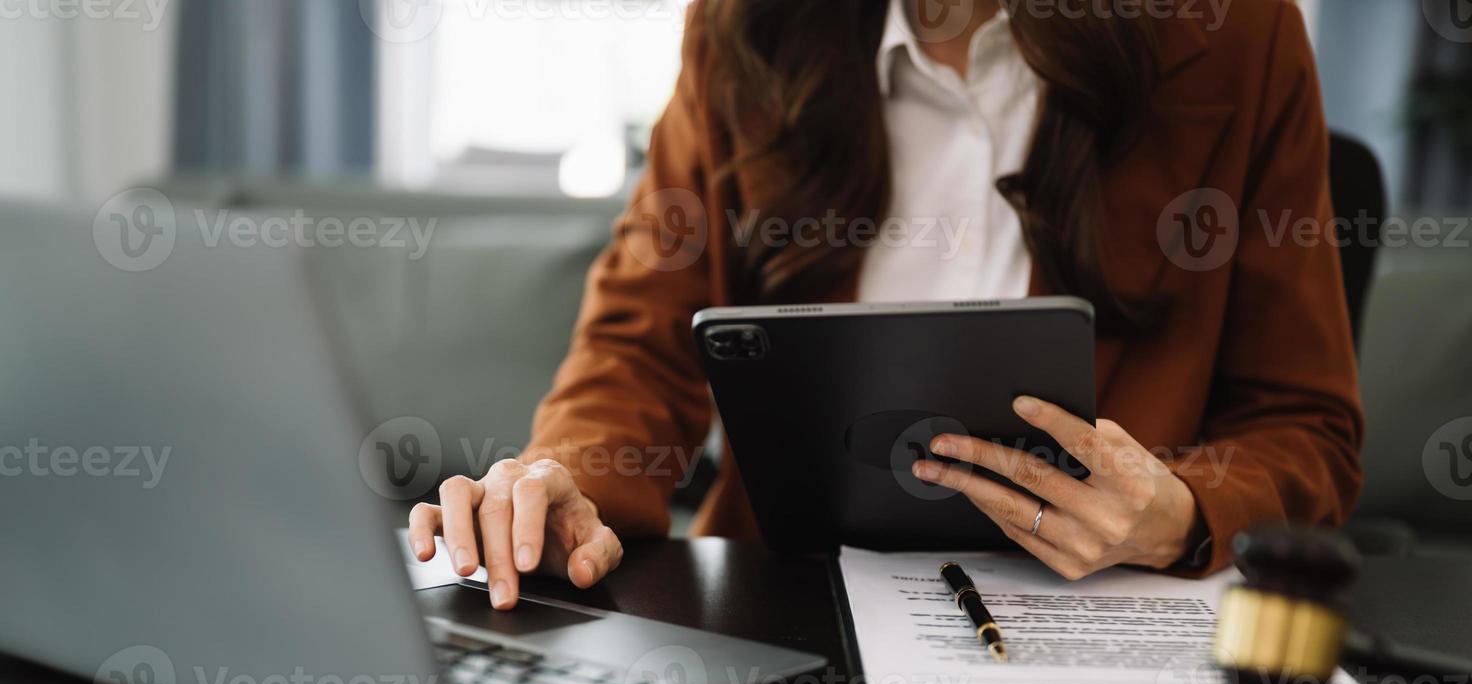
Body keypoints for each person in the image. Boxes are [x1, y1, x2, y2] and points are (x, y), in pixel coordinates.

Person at [409, 0, 1363, 611]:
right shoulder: (744, 28)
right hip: (786, 622)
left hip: (1093, 638)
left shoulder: (1233, 33)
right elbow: (636, 349)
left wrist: (1185, 511)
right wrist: (564, 476)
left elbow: (1306, 427)